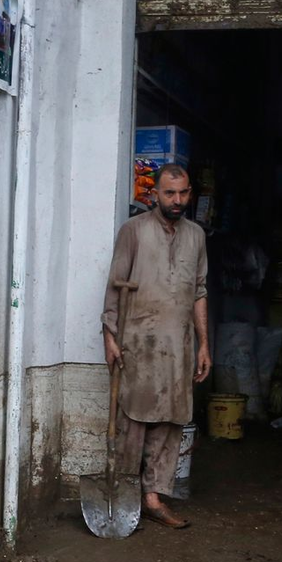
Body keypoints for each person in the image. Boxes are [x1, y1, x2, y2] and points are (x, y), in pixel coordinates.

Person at [101, 163, 211, 528]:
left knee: (171, 421)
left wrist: (203, 344)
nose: (176, 200)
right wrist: (109, 336)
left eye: (182, 193)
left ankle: (153, 498)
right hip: (138, 341)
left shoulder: (196, 235)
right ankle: (126, 495)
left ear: (190, 193)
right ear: (155, 195)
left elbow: (199, 291)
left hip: (178, 344)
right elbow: (116, 283)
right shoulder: (133, 231)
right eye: (169, 193)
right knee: (134, 419)